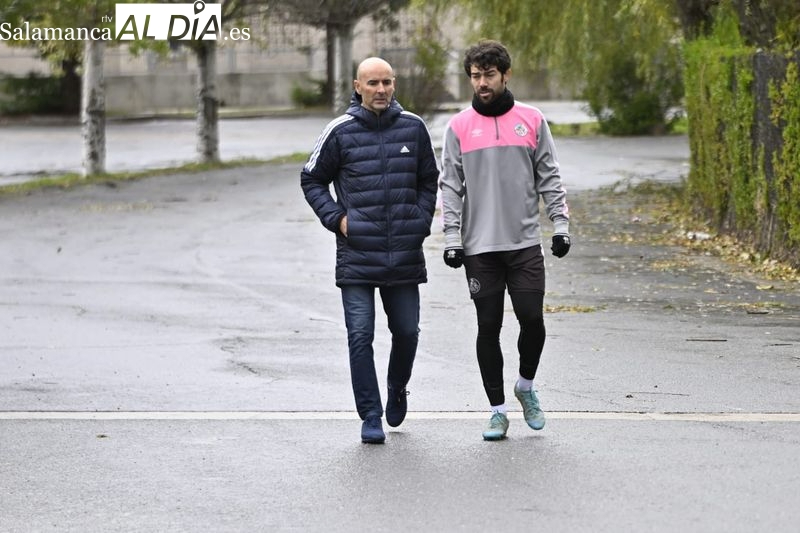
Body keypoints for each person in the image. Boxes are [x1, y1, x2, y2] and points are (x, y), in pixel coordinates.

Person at [301, 57, 439, 444]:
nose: (381, 90)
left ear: (394, 84)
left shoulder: (413, 127)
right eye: (373, 83)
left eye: (387, 82)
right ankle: (370, 414)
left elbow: (429, 179)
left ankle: (397, 387)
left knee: (407, 332)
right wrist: (338, 220)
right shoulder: (339, 131)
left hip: (404, 255)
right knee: (360, 336)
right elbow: (311, 179)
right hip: (357, 254)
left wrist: (419, 221)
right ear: (357, 86)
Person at [439, 40, 571, 441]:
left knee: (532, 320)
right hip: (480, 248)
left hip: (524, 242)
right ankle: (497, 412)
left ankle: (525, 386)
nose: (482, 83)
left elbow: (549, 174)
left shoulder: (531, 120)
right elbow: (450, 185)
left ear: (506, 75)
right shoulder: (458, 127)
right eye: (475, 76)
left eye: (489, 75)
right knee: (488, 326)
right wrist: (451, 236)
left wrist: (560, 224)